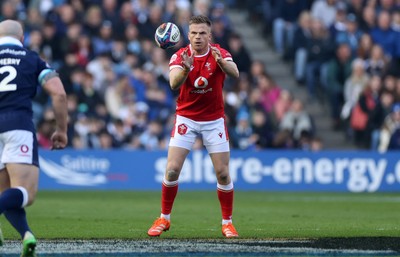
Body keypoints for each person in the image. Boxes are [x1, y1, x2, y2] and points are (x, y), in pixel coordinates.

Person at [147, 15, 240, 238]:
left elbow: (235, 73)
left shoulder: (220, 52)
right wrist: (186, 69)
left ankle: (227, 222)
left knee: (223, 174)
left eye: (202, 33)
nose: (198, 37)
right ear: (188, 35)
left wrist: (222, 63)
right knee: (171, 170)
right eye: (194, 33)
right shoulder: (180, 56)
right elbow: (173, 83)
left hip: (213, 120)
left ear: (210, 35)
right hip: (186, 119)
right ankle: (164, 218)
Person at [0, 20, 68, 257]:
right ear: (22, 38)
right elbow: (58, 93)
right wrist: (62, 130)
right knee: (26, 193)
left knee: (6, 194)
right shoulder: (31, 58)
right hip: (17, 125)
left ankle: (26, 235)